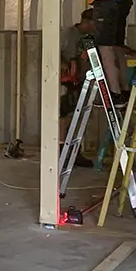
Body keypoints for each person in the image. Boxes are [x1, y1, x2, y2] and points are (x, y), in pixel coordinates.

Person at [59, 9, 96, 167]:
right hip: (66, 82)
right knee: (64, 116)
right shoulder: (68, 34)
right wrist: (65, 64)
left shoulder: (90, 37)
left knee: (79, 116)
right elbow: (53, 51)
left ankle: (75, 152)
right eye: (94, 23)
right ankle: (61, 151)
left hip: (82, 81)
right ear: (86, 21)